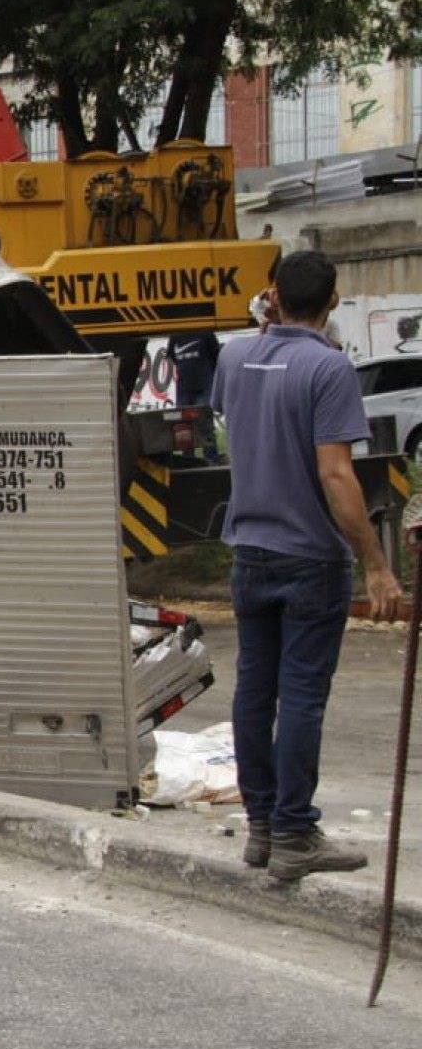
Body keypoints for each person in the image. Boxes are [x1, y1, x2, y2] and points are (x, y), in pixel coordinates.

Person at [213, 250, 400, 880]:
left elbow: (237, 416)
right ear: (334, 302)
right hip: (310, 557)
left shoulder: (234, 357)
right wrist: (375, 563)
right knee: (300, 698)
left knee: (253, 691)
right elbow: (335, 472)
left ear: (272, 295)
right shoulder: (327, 368)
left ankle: (262, 827)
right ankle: (295, 833)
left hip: (250, 552)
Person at [170, 332, 221, 462]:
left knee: (205, 422)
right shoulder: (175, 335)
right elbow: (172, 357)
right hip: (183, 387)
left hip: (204, 384)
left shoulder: (206, 333)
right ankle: (188, 459)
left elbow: (216, 356)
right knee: (183, 426)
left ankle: (211, 457)